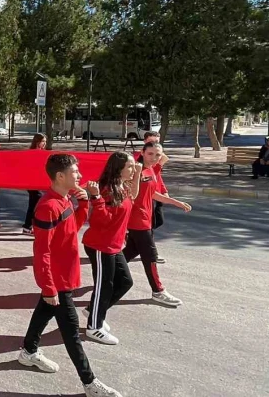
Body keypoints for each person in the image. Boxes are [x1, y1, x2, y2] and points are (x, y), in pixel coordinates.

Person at [17, 153, 122, 397]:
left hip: (65, 275)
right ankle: (90, 383)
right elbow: (41, 251)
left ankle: (28, 351)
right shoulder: (47, 207)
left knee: (43, 312)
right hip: (57, 280)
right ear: (60, 176)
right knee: (72, 332)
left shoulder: (64, 199)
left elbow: (73, 228)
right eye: (76, 172)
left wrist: (84, 203)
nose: (80, 176)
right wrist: (48, 287)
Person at [81, 152, 141, 346]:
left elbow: (122, 214)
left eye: (133, 166)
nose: (133, 169)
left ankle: (93, 310)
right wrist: (96, 198)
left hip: (114, 245)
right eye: (130, 166)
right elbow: (100, 221)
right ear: (118, 168)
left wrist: (123, 236)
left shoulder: (123, 187)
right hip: (100, 245)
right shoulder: (106, 189)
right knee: (104, 286)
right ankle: (94, 327)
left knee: (125, 282)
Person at [124, 142, 191, 307]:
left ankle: (107, 273)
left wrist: (175, 202)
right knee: (150, 256)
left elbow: (152, 193)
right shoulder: (135, 170)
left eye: (158, 155)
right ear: (142, 152)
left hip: (146, 218)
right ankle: (158, 290)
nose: (154, 158)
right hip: (136, 220)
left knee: (129, 252)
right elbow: (130, 192)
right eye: (150, 154)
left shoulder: (152, 170)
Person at [138, 131, 170, 262]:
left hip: (155, 193)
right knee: (148, 226)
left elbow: (157, 177)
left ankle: (136, 241)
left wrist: (164, 190)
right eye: (151, 141)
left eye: (157, 141)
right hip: (145, 197)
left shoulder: (157, 156)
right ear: (145, 142)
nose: (155, 144)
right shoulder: (141, 160)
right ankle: (151, 253)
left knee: (157, 221)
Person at [22, 133, 48, 235]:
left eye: (45, 142)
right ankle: (28, 226)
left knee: (34, 204)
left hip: (38, 182)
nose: (44, 143)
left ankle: (28, 226)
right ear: (37, 142)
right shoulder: (31, 152)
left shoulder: (43, 152)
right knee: (34, 203)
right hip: (31, 182)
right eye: (43, 141)